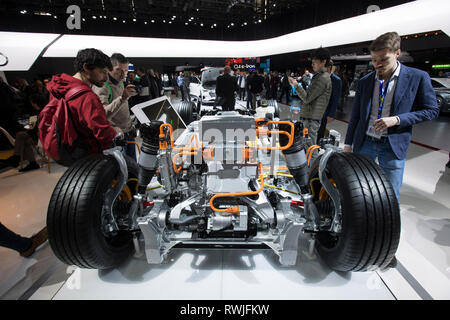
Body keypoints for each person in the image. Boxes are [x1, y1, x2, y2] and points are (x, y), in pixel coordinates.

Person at [343, 31, 439, 202]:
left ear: (397, 53)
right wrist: (348, 144)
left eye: (383, 59)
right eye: (374, 60)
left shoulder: (417, 77)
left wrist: (397, 119)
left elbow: (431, 110)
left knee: (390, 195)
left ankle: (390, 228)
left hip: (393, 145)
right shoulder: (365, 81)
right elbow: (356, 116)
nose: (378, 64)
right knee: (360, 191)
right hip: (365, 143)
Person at [41, 48, 118, 162]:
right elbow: (102, 132)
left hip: (66, 147)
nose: (106, 78)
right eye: (102, 72)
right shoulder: (87, 97)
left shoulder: (61, 87)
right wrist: (116, 132)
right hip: (88, 156)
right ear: (86, 67)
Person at [92, 53, 137, 161]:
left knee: (133, 169)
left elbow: (121, 107)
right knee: (123, 170)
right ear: (109, 68)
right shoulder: (102, 86)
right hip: (117, 136)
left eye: (126, 71)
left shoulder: (120, 82)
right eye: (119, 70)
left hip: (128, 131)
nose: (123, 75)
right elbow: (102, 114)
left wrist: (130, 126)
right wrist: (122, 98)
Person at [288, 47, 332, 153]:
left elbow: (307, 98)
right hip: (310, 117)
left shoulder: (322, 78)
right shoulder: (319, 76)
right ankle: (309, 168)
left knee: (310, 149)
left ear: (323, 62)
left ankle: (311, 169)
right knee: (308, 147)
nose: (312, 64)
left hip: (311, 119)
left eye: (315, 62)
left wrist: (296, 86)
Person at [317, 60, 342, 141]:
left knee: (320, 133)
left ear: (329, 67)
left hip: (325, 112)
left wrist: (331, 114)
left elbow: (335, 99)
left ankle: (316, 149)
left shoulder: (336, 80)